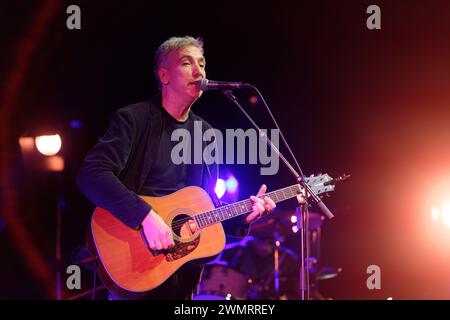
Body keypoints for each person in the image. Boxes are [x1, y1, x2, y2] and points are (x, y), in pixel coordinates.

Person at [77, 36, 278, 300]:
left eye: (202, 64)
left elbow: (206, 207)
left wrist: (243, 216)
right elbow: (91, 174)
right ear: (164, 75)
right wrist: (145, 217)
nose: (199, 71)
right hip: (134, 267)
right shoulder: (134, 119)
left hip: (182, 278)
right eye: (187, 63)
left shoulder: (205, 134)